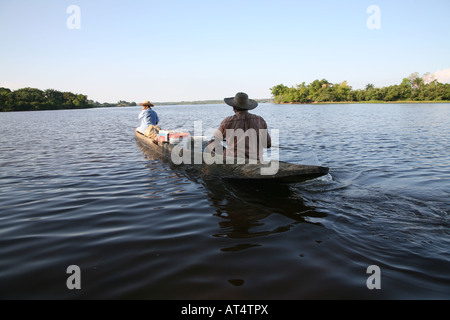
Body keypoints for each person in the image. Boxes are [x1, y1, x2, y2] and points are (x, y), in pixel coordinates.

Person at [213, 92, 271, 161]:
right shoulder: (260, 121)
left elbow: (217, 137)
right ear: (247, 107)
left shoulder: (227, 122)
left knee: (211, 143)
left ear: (234, 108)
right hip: (256, 161)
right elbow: (267, 144)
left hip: (233, 161)